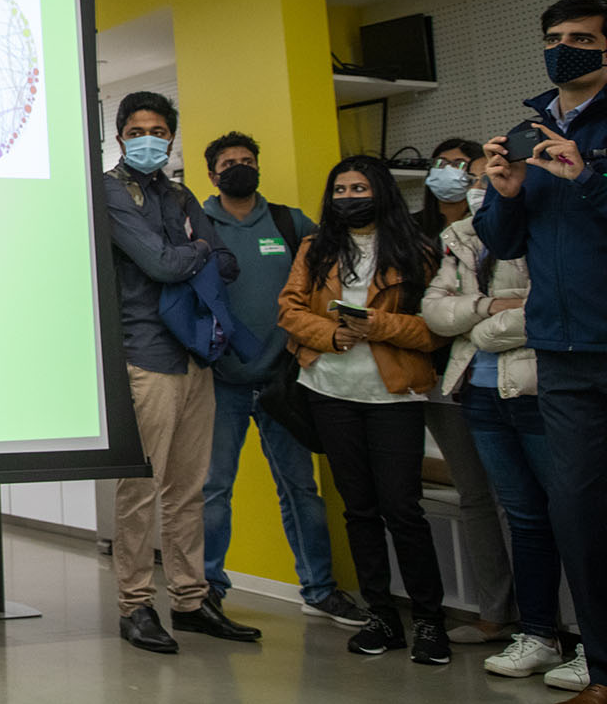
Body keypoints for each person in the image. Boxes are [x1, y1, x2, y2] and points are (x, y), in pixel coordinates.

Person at [477, 0, 607, 704]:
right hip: (560, 351)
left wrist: (586, 176)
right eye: (555, 38)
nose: (566, 49)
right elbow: (504, 244)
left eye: (582, 38)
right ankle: (603, 672)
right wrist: (504, 192)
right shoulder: (531, 129)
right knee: (580, 515)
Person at [102, 91, 260, 653]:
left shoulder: (182, 192)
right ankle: (135, 604)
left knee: (190, 488)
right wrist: (191, 252)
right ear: (121, 135)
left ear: (171, 137)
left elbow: (229, 261)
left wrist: (189, 254)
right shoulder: (108, 190)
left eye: (160, 130)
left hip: (197, 355)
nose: (150, 138)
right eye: (139, 129)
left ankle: (191, 601)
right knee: (142, 488)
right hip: (146, 355)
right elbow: (162, 262)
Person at [277, 154, 450, 667]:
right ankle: (382, 617)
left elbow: (435, 329)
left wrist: (379, 327)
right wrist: (331, 333)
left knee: (403, 509)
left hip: (394, 394)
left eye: (359, 188)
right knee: (359, 509)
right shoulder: (315, 247)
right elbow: (289, 309)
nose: (349, 197)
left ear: (380, 191)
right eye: (340, 190)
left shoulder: (416, 249)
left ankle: (429, 621)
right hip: (329, 391)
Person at [197, 132, 365, 626]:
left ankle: (319, 589)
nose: (239, 168)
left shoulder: (291, 223)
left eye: (248, 161)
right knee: (213, 490)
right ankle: (208, 588)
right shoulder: (198, 223)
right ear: (212, 175)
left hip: (284, 381)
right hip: (219, 380)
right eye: (229, 163)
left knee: (300, 488)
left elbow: (329, 276)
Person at [426, 192, 572, 681]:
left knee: (574, 515)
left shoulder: (548, 227)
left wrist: (484, 329)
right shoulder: (462, 235)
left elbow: (553, 308)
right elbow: (435, 311)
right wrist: (489, 304)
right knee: (525, 518)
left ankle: (590, 641)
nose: (484, 187)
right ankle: (536, 635)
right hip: (481, 393)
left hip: (538, 388)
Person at [416, 137, 518, 647]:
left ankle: (553, 620)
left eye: (467, 168)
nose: (457, 176)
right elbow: (431, 311)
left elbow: (521, 304)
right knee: (476, 495)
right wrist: (481, 309)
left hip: (517, 376)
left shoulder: (514, 225)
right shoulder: (416, 233)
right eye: (447, 166)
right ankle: (496, 613)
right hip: (445, 379)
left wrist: (471, 311)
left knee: (531, 500)